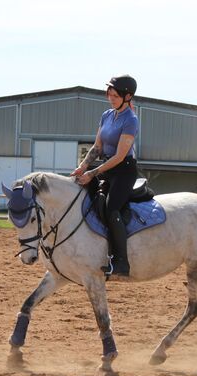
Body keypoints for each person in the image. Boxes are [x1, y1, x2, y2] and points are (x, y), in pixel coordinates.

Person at [70, 74, 139, 277]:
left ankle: (121, 261)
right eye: (109, 94)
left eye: (115, 95)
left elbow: (119, 155)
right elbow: (97, 147)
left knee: (111, 209)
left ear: (128, 97)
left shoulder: (131, 120)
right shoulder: (107, 115)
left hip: (124, 170)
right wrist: (82, 167)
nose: (111, 98)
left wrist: (93, 172)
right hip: (106, 168)